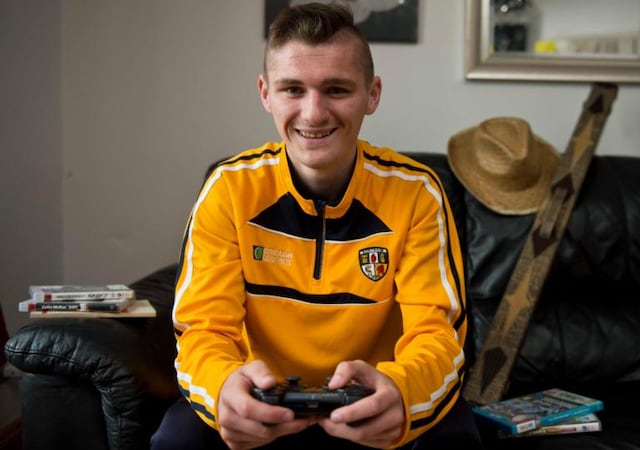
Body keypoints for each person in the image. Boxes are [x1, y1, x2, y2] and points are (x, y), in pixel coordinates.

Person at [150, 2, 481, 449]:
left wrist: (402, 392)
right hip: (263, 402)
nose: (313, 113)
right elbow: (204, 331)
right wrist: (225, 387)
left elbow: (436, 336)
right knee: (178, 439)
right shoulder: (227, 189)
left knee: (454, 435)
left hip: (370, 404)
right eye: (292, 90)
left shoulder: (418, 192)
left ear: (373, 94)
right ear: (266, 93)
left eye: (336, 90)